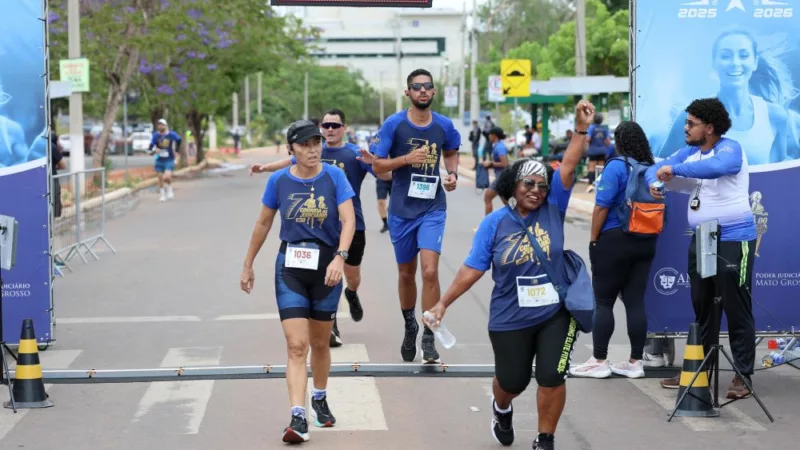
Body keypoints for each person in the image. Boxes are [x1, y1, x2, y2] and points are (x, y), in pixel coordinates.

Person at [426, 100, 593, 450]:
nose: (536, 190)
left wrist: (580, 130)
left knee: (551, 375)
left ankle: (545, 438)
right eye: (528, 184)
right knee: (512, 379)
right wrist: (442, 304)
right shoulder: (494, 224)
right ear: (513, 186)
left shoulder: (554, 209)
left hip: (555, 312)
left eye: (542, 186)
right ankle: (501, 407)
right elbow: (472, 268)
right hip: (509, 315)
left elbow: (570, 164)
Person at [240, 120, 356, 443]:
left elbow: (349, 220)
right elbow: (263, 224)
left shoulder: (335, 177)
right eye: (305, 144)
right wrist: (248, 264)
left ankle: (319, 395)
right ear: (291, 149)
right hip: (290, 267)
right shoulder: (278, 181)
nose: (313, 149)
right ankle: (298, 415)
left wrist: (340, 257)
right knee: (296, 345)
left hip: (327, 268)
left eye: (316, 142)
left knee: (320, 343)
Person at [250, 108, 391, 347]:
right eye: (326, 126)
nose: (330, 130)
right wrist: (265, 168)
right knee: (325, 276)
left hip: (351, 224)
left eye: (335, 126)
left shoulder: (355, 153)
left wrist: (376, 162)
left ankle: (352, 293)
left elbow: (385, 176)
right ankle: (330, 325)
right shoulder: (310, 150)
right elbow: (289, 160)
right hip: (321, 229)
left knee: (352, 276)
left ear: (343, 128)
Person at [646, 97, 757, 399]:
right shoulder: (690, 153)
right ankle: (698, 372)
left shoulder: (729, 147)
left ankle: (743, 376)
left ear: (709, 128)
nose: (686, 128)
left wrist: (674, 169)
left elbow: (721, 167)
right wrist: (658, 182)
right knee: (703, 307)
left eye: (691, 124)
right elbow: (657, 169)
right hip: (703, 239)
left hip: (734, 239)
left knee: (737, 309)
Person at [369, 68, 461, 363]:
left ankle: (429, 333)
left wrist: (453, 173)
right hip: (401, 210)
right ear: (408, 92)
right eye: (416, 87)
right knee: (406, 274)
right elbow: (377, 167)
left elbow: (451, 151)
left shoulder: (444, 125)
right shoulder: (394, 125)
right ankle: (410, 324)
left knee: (430, 271)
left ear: (434, 92)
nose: (422, 90)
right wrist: (407, 159)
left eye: (427, 86)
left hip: (432, 207)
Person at [570, 121, 660, 379]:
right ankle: (635, 362)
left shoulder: (616, 167)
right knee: (635, 301)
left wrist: (593, 240)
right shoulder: (652, 171)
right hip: (646, 241)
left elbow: (600, 207)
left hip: (614, 240)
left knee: (603, 301)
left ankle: (599, 359)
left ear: (620, 142)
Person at [148, 119, 182, 202]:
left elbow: (179, 140)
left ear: (165, 126)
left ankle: (169, 188)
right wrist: (154, 151)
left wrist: (177, 151)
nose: (160, 126)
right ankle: (162, 194)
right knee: (160, 178)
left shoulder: (171, 134)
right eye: (159, 125)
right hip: (159, 159)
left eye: (162, 125)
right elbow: (150, 149)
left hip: (169, 159)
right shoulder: (156, 136)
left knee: (166, 177)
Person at [482, 126, 509, 216]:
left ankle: (487, 224)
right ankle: (520, 220)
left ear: (494, 136)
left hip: (502, 177)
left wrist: (490, 164)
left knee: (487, 197)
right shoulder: (497, 146)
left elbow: (504, 163)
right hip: (501, 177)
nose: (489, 136)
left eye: (490, 134)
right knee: (507, 202)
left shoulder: (500, 147)